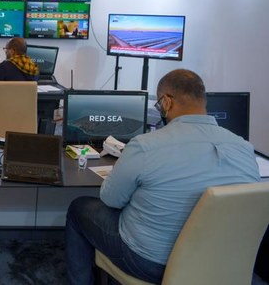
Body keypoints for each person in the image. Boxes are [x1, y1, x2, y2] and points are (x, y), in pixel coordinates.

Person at [65, 69, 260, 285]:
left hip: (151, 262)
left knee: (78, 208)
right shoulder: (244, 148)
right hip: (222, 261)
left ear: (166, 102)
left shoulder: (146, 146)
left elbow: (111, 199)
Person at [0, 37, 39, 111]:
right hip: (26, 119)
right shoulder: (33, 67)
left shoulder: (3, 67)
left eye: (6, 49)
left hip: (3, 117)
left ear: (13, 51)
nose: (5, 52)